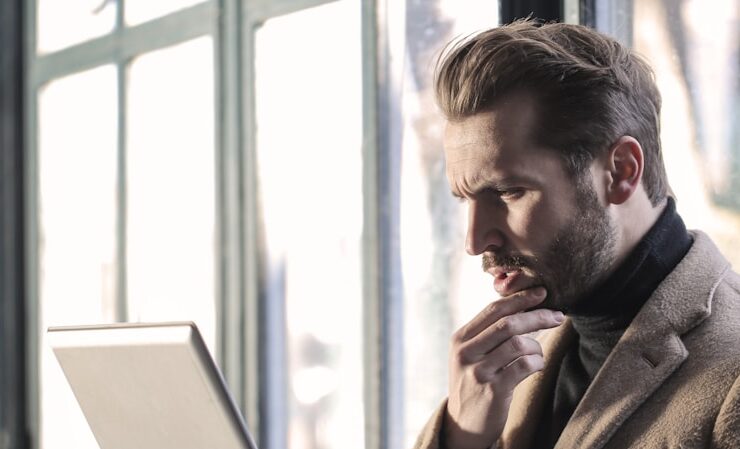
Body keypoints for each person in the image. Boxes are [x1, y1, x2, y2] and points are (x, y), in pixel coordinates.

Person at [413, 19, 740, 449]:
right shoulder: (507, 365)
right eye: (465, 199)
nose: (476, 241)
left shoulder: (731, 377)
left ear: (621, 171)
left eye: (509, 191)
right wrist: (460, 437)